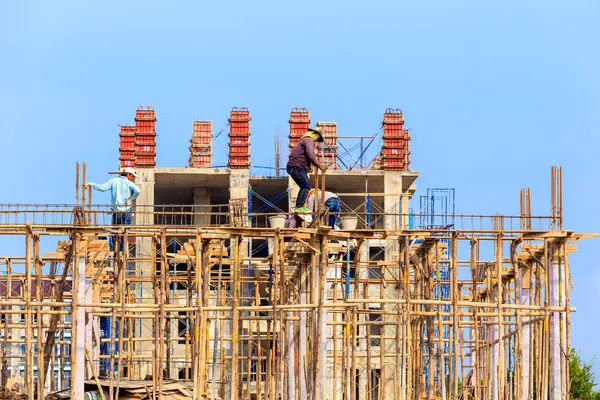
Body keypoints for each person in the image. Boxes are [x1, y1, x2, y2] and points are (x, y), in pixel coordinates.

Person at [87, 167, 140, 251]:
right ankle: (123, 251)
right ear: (128, 174)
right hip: (126, 212)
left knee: (114, 232)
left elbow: (102, 188)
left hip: (116, 211)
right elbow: (137, 191)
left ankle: (113, 249)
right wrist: (130, 199)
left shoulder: (113, 181)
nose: (132, 178)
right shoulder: (129, 183)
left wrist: (92, 184)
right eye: (132, 176)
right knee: (126, 233)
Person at [287, 128, 328, 213]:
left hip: (295, 167)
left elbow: (306, 155)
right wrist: (319, 165)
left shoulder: (303, 141)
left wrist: (309, 167)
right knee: (306, 186)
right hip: (297, 167)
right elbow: (310, 155)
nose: (316, 141)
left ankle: (299, 206)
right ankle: (299, 206)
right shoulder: (309, 140)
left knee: (304, 186)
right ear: (315, 135)